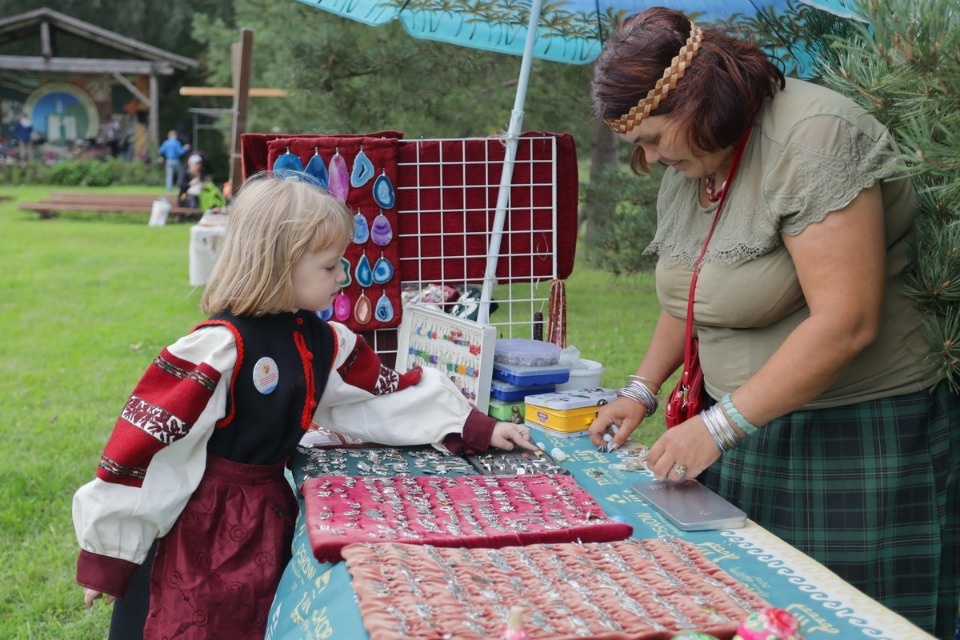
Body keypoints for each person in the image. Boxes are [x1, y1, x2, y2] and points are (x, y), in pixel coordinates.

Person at [587, 8, 959, 639]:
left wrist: (719, 424)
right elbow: (691, 291)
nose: (647, 160)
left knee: (843, 625)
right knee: (755, 618)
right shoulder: (695, 160)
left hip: (856, 437)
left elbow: (847, 322)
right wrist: (640, 389)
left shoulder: (814, 138)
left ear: (697, 102)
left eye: (651, 138)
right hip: (744, 429)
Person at [73, 171, 537, 639]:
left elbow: (379, 396)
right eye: (330, 265)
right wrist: (110, 551)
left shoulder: (322, 341)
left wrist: (472, 426)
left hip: (267, 513)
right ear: (280, 264)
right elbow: (150, 448)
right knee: (194, 620)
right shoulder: (219, 349)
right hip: (202, 523)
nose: (343, 275)